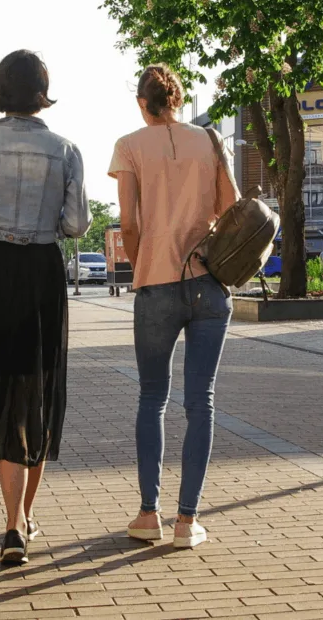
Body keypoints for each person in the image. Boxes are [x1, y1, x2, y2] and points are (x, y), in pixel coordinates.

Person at [0, 50, 91, 566]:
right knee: (37, 389)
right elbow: (76, 225)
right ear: (40, 95)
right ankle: (22, 520)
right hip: (40, 274)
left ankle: (11, 523)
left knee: (1, 386)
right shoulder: (66, 149)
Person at [109, 64, 238, 550]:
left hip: (156, 284)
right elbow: (231, 208)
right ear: (177, 100)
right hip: (209, 281)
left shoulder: (128, 146)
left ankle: (149, 515)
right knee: (200, 401)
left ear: (143, 102)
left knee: (151, 398)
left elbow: (129, 222)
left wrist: (146, 264)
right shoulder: (208, 141)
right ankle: (188, 521)